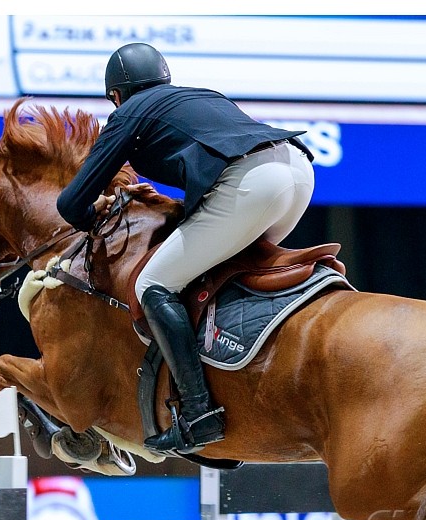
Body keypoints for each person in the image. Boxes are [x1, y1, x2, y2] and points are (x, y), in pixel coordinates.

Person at [57, 42, 315, 455]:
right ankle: (239, 376)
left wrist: (94, 217)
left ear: (115, 96)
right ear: (164, 79)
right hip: (298, 172)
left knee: (153, 284)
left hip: (250, 185)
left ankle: (199, 413)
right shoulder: (200, 96)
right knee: (216, 275)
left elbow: (69, 204)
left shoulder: (127, 113)